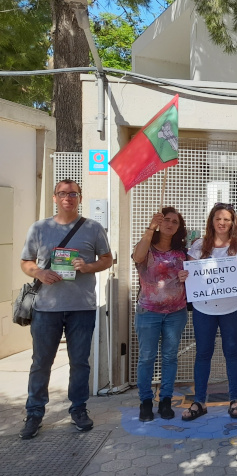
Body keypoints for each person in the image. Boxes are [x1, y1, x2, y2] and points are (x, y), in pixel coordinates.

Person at [19, 180, 112, 439]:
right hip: (46, 308)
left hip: (81, 307)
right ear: (54, 197)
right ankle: (34, 413)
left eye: (73, 194)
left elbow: (107, 259)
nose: (68, 198)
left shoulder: (93, 228)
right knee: (41, 363)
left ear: (79, 198)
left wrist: (88, 266)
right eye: (63, 193)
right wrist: (40, 271)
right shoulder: (39, 228)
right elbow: (25, 261)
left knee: (80, 363)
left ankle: (79, 409)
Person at [182, 203, 237, 421]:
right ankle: (199, 402)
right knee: (203, 353)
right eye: (218, 218)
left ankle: (234, 399)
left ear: (233, 222)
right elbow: (191, 276)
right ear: (211, 221)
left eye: (226, 219)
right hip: (203, 308)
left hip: (232, 308)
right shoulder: (198, 245)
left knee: (232, 352)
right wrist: (184, 277)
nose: (222, 223)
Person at [132, 208, 189, 422]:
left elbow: (193, 277)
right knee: (147, 358)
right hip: (149, 312)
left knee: (170, 357)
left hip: (176, 312)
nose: (170, 224)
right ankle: (145, 401)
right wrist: (150, 228)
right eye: (166, 220)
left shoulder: (183, 252)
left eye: (175, 221)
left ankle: (165, 400)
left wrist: (187, 276)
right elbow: (137, 257)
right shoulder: (146, 247)